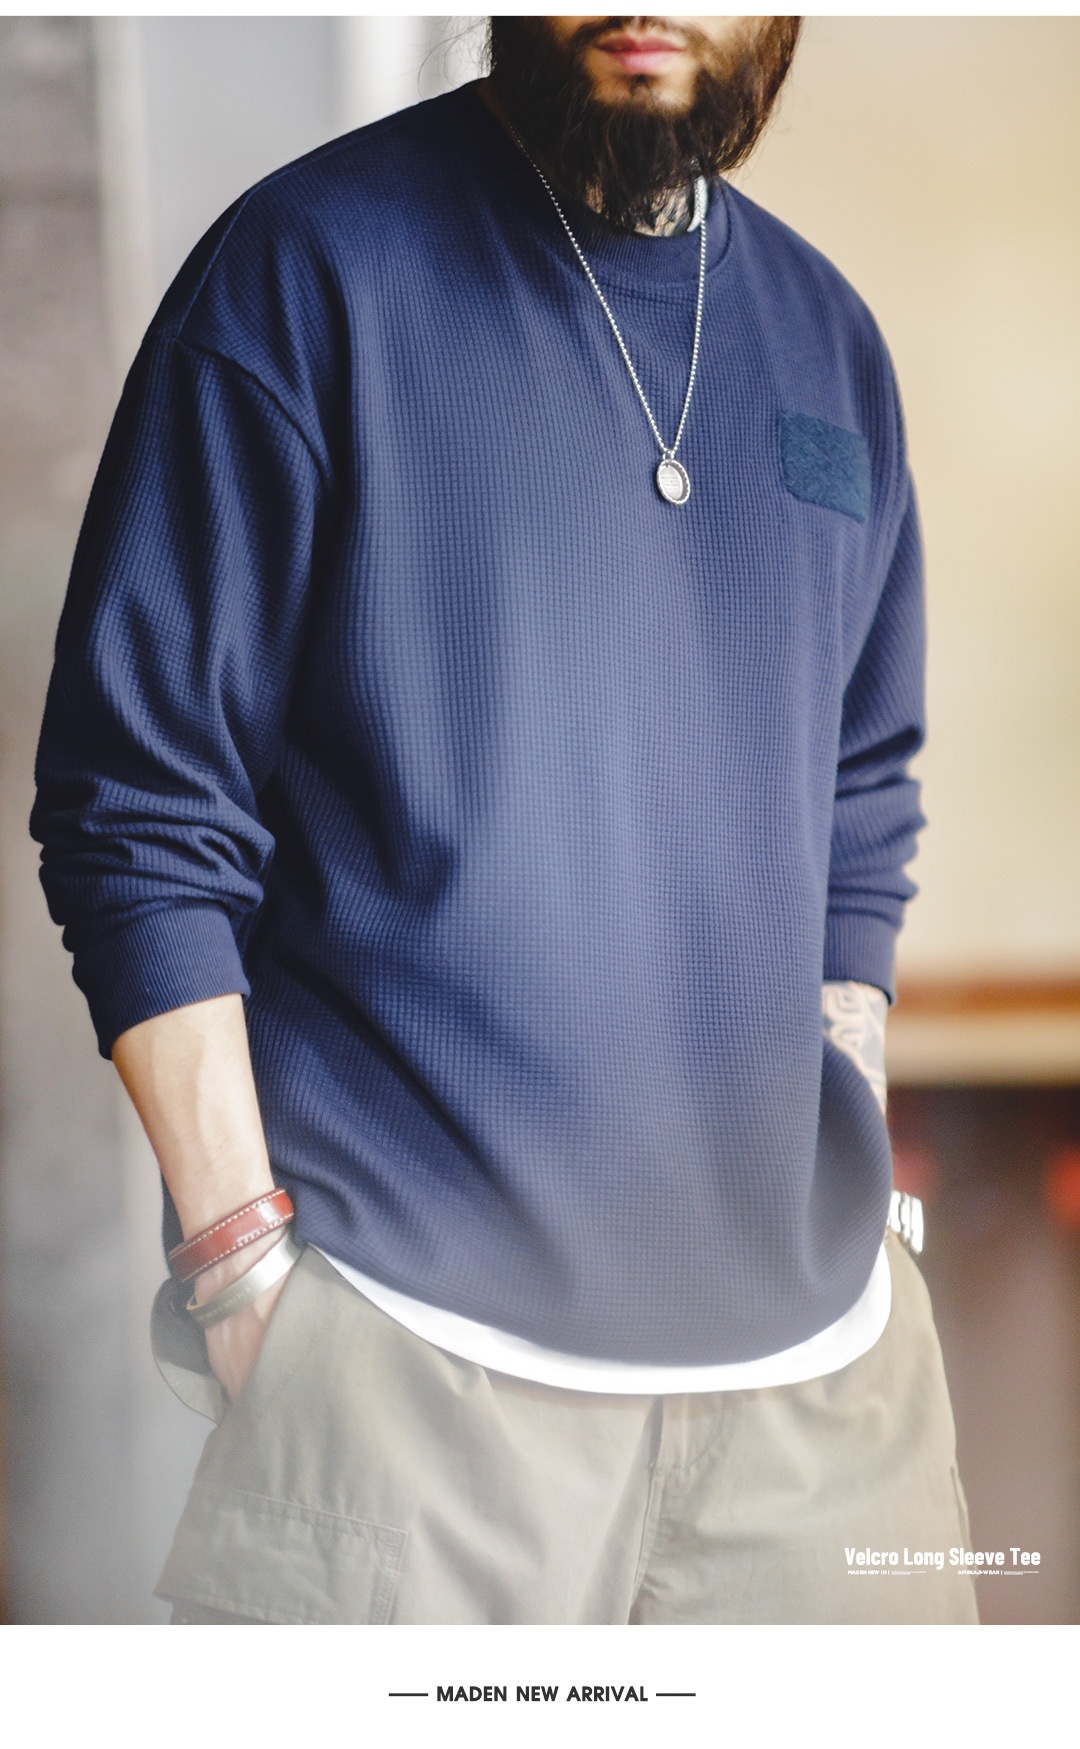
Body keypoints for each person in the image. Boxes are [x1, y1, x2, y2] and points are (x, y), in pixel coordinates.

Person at [31, 15, 977, 1624]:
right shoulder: (303, 272)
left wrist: (853, 1138)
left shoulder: (829, 340)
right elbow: (137, 804)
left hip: (823, 1396)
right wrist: (246, 1275)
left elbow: (859, 794)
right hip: (411, 1372)